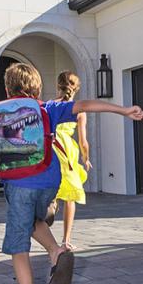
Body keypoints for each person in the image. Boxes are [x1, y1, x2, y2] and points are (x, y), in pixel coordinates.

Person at [0, 62, 143, 284]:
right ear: (36, 87)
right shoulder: (47, 109)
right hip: (50, 179)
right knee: (33, 219)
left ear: (7, 88)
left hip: (18, 184)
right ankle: (55, 248)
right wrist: (123, 110)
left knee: (19, 246)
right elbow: (85, 105)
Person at [50, 71, 91, 251]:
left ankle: (50, 207)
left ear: (58, 86)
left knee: (51, 188)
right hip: (67, 153)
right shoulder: (79, 110)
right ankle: (66, 240)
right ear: (76, 88)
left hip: (51, 148)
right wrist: (86, 158)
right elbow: (83, 141)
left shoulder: (50, 105)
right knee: (70, 196)